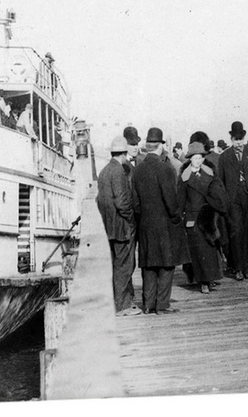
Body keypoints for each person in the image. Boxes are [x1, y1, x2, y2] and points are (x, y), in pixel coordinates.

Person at [131, 127, 183, 314]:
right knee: (167, 264)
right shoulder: (166, 168)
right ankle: (162, 304)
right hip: (164, 223)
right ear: (160, 146)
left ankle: (147, 304)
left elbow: (135, 203)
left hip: (145, 224)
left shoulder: (137, 171)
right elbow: (171, 199)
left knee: (149, 264)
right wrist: (176, 217)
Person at [96, 136, 141, 316]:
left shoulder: (104, 171)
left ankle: (121, 301)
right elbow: (122, 201)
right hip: (122, 226)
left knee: (115, 264)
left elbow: (101, 200)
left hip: (108, 226)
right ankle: (122, 306)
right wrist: (130, 219)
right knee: (124, 265)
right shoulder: (119, 172)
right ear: (123, 153)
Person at [216, 121, 248, 280]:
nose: (238, 142)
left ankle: (247, 267)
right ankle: (237, 268)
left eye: (240, 139)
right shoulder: (224, 156)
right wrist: (223, 202)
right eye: (235, 139)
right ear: (231, 139)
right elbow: (220, 181)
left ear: (244, 138)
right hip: (233, 199)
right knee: (236, 232)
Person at [178, 141, 227, 293]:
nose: (198, 161)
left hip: (208, 218)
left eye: (201, 158)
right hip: (193, 219)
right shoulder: (184, 178)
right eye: (195, 158)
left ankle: (211, 278)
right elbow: (180, 200)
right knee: (198, 253)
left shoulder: (210, 174)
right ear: (190, 159)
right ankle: (202, 281)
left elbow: (217, 194)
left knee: (210, 250)